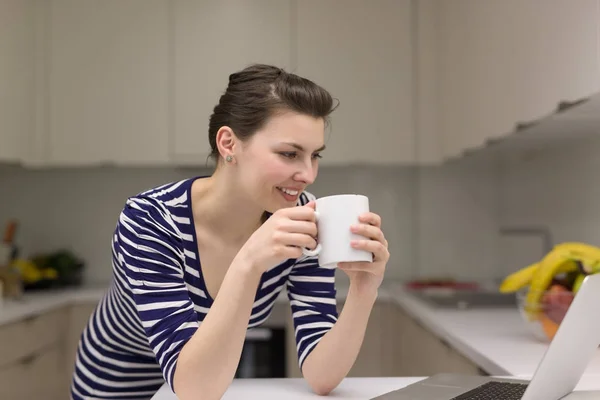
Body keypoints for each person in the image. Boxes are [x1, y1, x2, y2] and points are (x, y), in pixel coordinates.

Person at [70, 64, 390, 400]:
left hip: (212, 374)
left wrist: (364, 287)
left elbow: (322, 375)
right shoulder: (151, 219)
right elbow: (194, 389)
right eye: (289, 154)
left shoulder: (302, 217)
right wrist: (250, 260)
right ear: (229, 144)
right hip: (119, 381)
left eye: (315, 156)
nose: (308, 174)